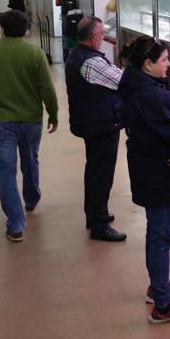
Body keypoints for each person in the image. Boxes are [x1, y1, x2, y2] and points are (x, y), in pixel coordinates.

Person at [119, 36, 170, 323]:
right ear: (148, 64)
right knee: (160, 236)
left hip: (147, 166)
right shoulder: (154, 97)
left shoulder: (133, 85)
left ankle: (159, 286)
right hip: (159, 174)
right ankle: (163, 306)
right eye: (164, 60)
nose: (169, 65)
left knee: (158, 233)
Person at [0, 10, 59, 243]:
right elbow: (47, 88)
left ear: (2, 28)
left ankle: (15, 225)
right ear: (24, 29)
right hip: (31, 119)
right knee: (30, 160)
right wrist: (53, 113)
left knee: (6, 171)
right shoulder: (35, 52)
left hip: (1, 121)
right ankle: (30, 199)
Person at [65, 16, 127, 242]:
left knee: (94, 170)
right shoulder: (92, 62)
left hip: (91, 122)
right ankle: (99, 225)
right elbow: (122, 81)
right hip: (101, 124)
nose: (103, 37)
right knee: (102, 174)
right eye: (101, 34)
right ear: (92, 37)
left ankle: (94, 214)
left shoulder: (76, 55)